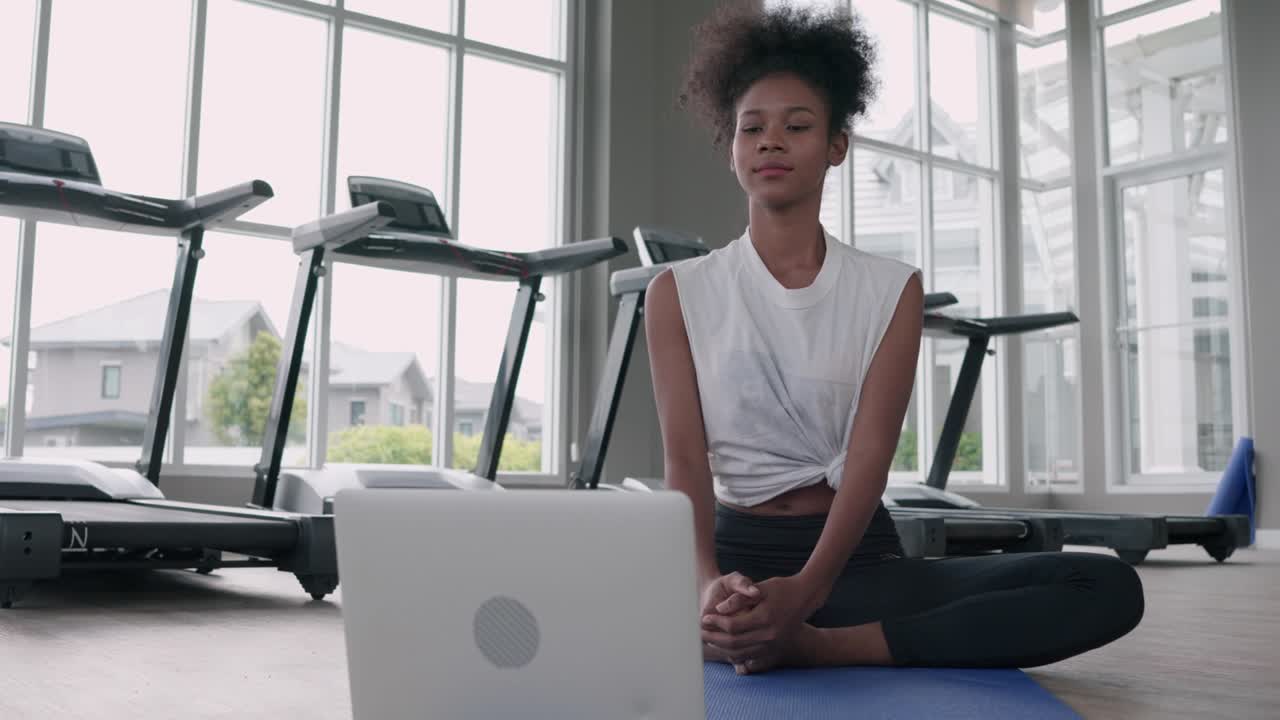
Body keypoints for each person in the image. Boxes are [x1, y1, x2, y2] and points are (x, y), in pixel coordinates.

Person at [644, 1, 1144, 676]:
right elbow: (684, 464)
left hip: (851, 562)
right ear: (731, 149)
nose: (769, 141)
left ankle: (825, 647)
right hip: (733, 559)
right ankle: (737, 629)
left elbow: (869, 463)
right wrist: (706, 588)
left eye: (797, 126)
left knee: (1105, 586)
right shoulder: (676, 292)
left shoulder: (890, 289)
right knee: (584, 593)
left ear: (836, 146)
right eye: (751, 128)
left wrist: (806, 598)